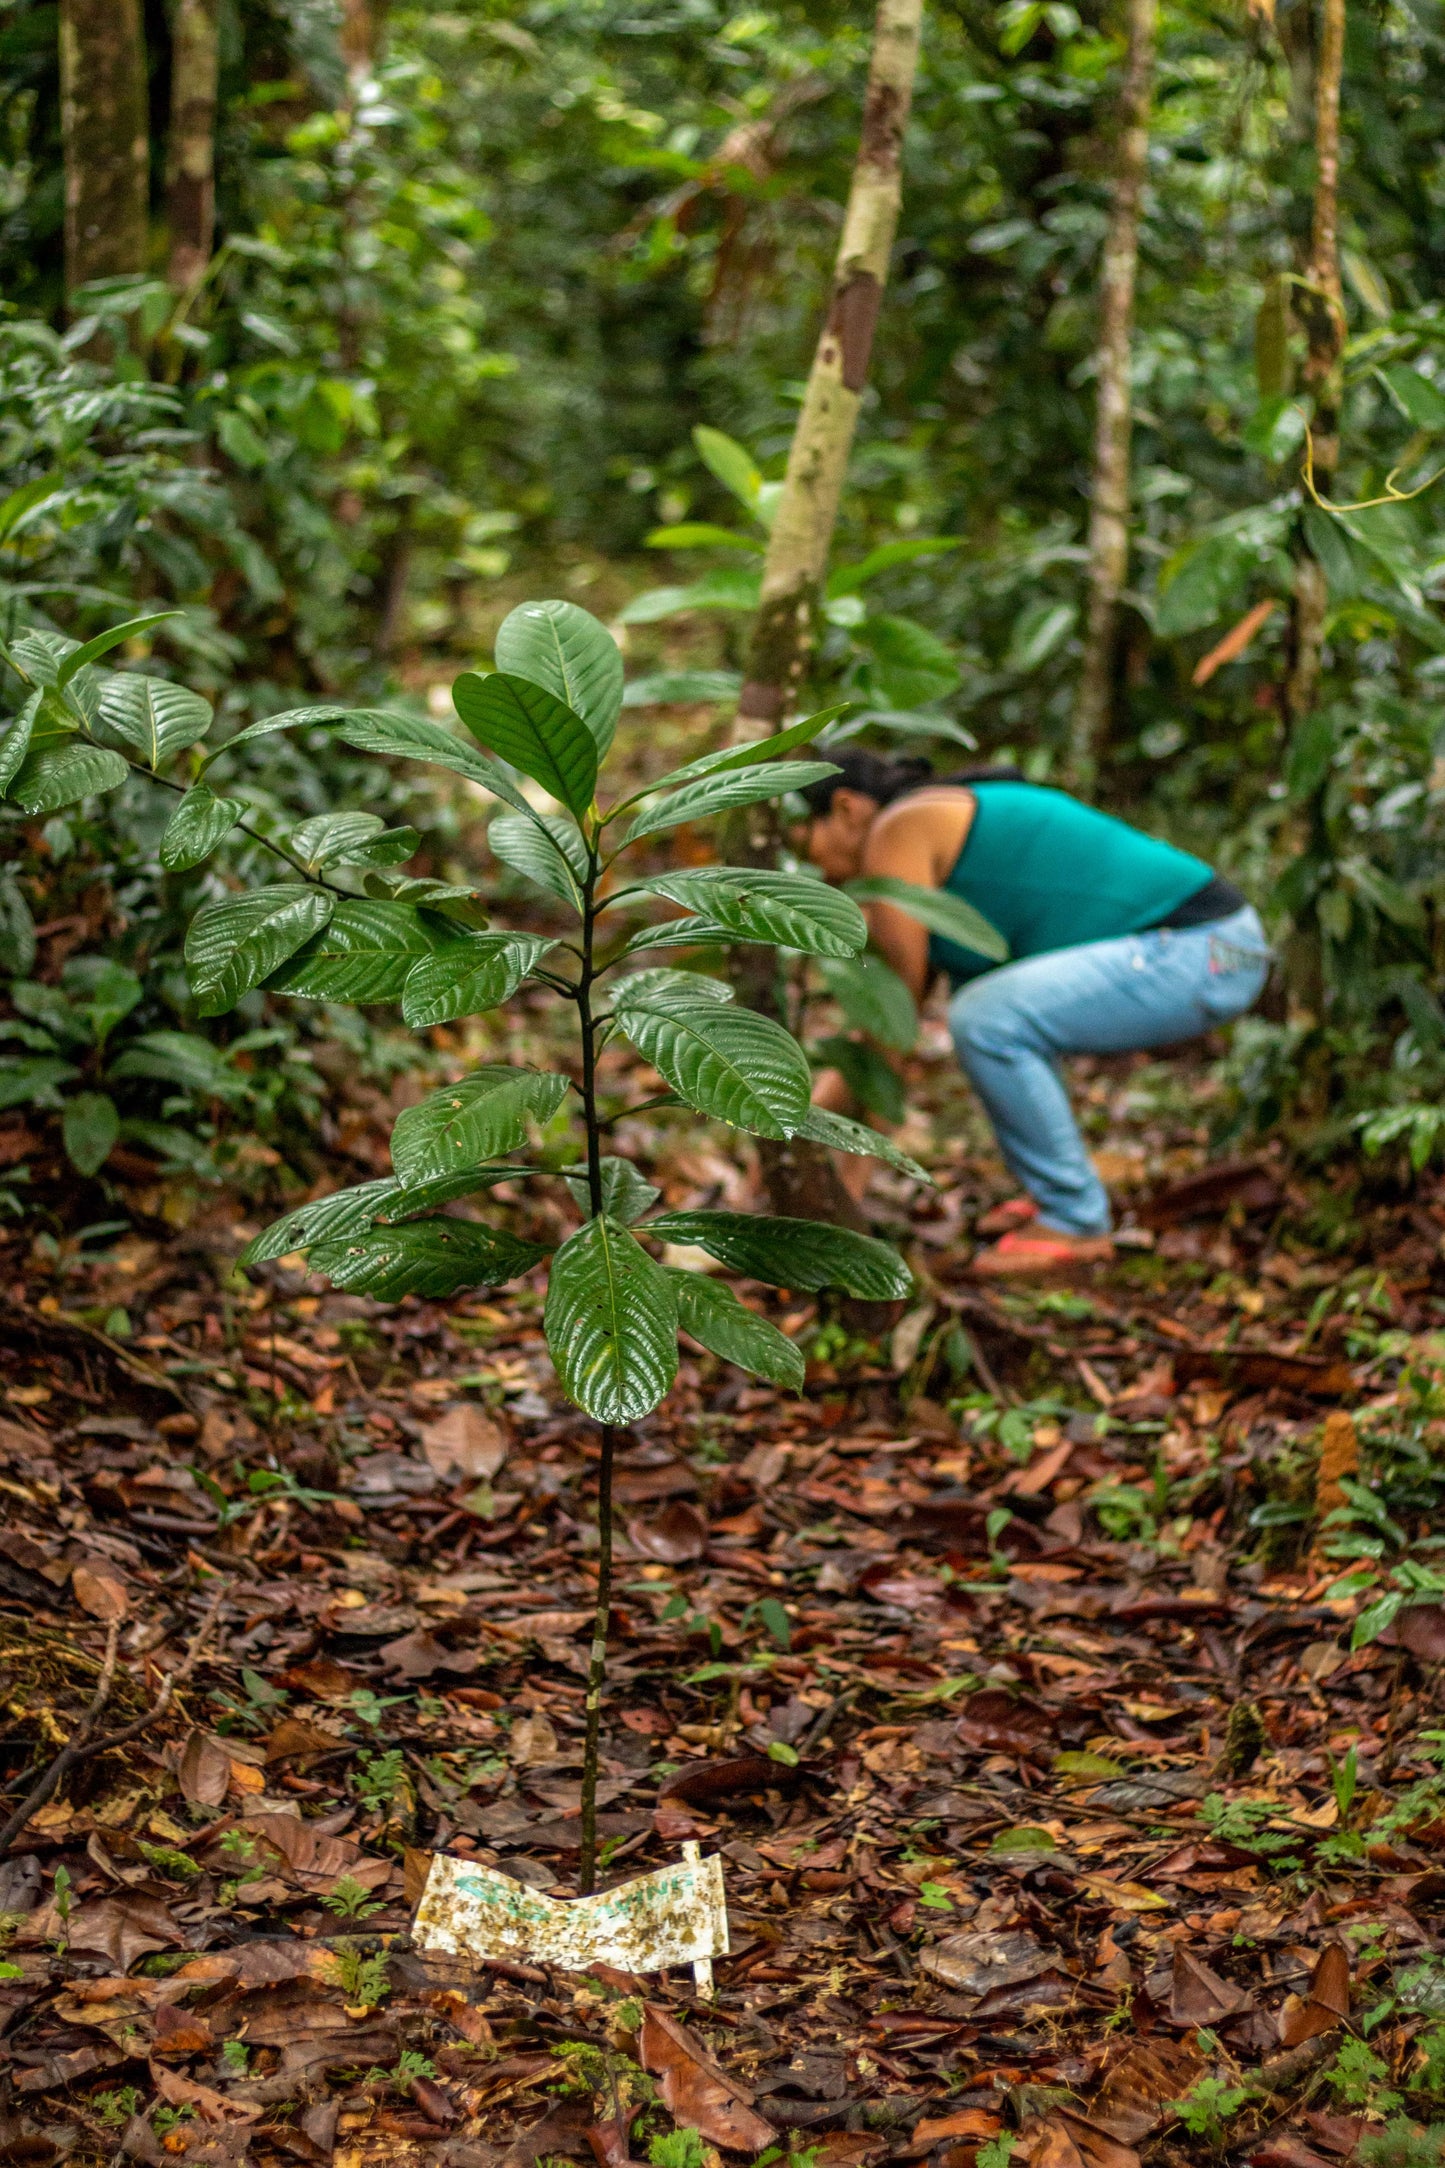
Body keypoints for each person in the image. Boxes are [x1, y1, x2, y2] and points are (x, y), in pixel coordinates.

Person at [797, 751, 1271, 1275]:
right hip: (1209, 950)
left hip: (1203, 949)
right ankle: (1056, 1198)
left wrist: (846, 1187)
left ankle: (1075, 1219)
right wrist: (793, 1140)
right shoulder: (930, 833)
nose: (808, 867)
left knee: (985, 1018)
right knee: (992, 1016)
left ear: (844, 808)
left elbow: (894, 1027)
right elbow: (887, 1034)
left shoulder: (898, 830)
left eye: (802, 842)